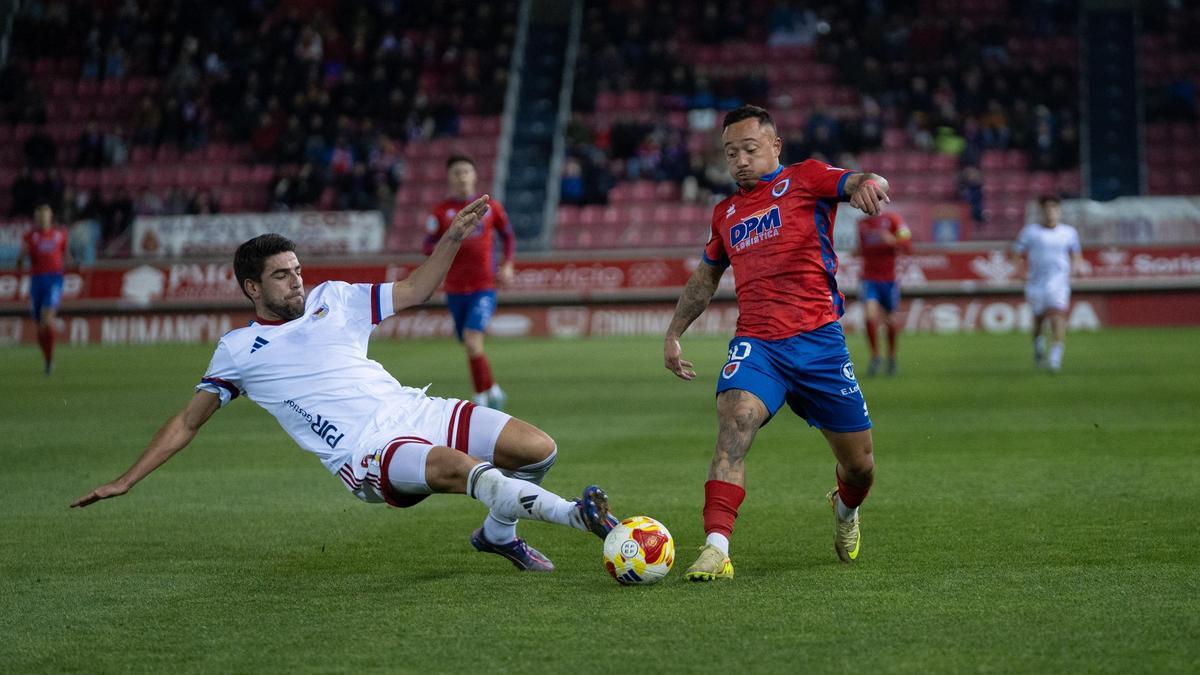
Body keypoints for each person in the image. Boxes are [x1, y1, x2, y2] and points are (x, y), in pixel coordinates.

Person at [71, 196, 617, 573]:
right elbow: (188, 421)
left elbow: (415, 290)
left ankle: (497, 535)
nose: (297, 280)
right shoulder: (237, 350)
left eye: (297, 269)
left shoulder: (336, 298)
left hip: (411, 408)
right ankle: (579, 516)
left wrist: (451, 239)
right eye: (282, 275)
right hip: (367, 451)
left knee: (537, 450)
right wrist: (127, 479)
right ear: (251, 287)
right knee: (460, 469)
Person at [662, 105, 891, 580]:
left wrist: (870, 183)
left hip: (821, 344)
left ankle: (845, 511)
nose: (740, 160)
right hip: (759, 345)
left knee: (860, 467)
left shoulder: (806, 178)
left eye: (749, 149)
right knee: (735, 423)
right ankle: (715, 549)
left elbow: (852, 180)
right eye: (730, 153)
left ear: (775, 146)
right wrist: (674, 333)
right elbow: (705, 279)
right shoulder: (725, 213)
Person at [424, 154, 515, 410]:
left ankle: (481, 401)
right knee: (468, 343)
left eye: (466, 171)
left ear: (474, 175)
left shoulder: (491, 208)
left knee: (472, 339)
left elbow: (508, 236)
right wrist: (448, 241)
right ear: (450, 178)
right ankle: (494, 389)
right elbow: (427, 244)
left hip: (484, 287)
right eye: (457, 172)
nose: (462, 176)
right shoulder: (441, 213)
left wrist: (508, 265)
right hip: (454, 288)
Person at [1011, 195, 1083, 372]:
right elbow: (1016, 253)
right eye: (1047, 209)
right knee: (1038, 321)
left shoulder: (1069, 232)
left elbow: (1076, 253)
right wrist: (1020, 272)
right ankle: (1038, 348)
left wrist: (1077, 266)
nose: (1051, 213)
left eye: (1054, 209)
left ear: (1059, 211)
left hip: (1059, 283)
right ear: (1041, 211)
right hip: (1036, 283)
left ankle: (1055, 359)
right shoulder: (1030, 232)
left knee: (1058, 317)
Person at [856, 209, 912, 376]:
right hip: (869, 278)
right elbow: (862, 249)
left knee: (890, 321)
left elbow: (908, 245)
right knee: (869, 316)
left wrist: (892, 240)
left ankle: (892, 357)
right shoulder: (862, 224)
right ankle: (875, 356)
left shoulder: (894, 219)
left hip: (889, 280)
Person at [17, 203, 70, 374]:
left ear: (50, 216)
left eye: (45, 215)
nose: (42, 218)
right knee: (40, 326)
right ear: (36, 218)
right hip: (37, 281)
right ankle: (47, 359)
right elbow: (20, 261)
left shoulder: (60, 234)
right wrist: (21, 257)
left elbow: (65, 255)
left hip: (54, 279)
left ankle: (50, 359)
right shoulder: (30, 236)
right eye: (39, 216)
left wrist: (72, 265)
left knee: (47, 319)